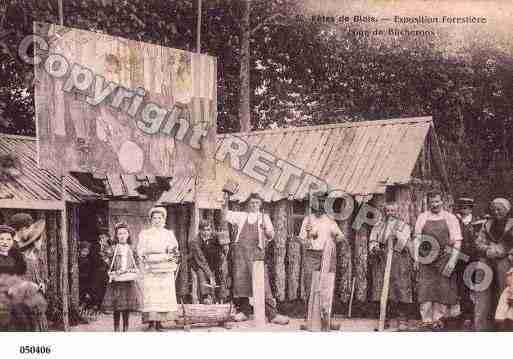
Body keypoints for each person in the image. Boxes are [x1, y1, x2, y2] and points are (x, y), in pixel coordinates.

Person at [222, 192, 289, 325]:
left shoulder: (264, 217)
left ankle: (272, 315)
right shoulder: (242, 216)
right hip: (241, 254)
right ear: (248, 204)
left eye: (257, 203)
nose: (254, 205)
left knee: (263, 284)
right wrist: (224, 201)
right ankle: (244, 312)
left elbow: (271, 235)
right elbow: (225, 215)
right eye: (252, 203)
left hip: (256, 254)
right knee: (241, 283)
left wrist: (266, 231)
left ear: (260, 204)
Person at [414, 190, 463, 330]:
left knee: (443, 288)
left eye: (437, 201)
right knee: (425, 288)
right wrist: (416, 259)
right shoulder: (422, 217)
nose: (434, 204)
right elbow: (417, 238)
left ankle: (438, 319)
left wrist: (452, 261)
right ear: (428, 203)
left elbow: (457, 241)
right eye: (431, 202)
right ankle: (426, 319)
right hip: (426, 258)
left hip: (444, 258)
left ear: (442, 201)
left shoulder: (450, 218)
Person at [298, 191, 345, 319]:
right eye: (318, 202)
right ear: (313, 204)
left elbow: (340, 236)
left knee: (326, 282)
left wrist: (335, 238)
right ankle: (310, 313)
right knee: (309, 282)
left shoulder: (330, 220)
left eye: (322, 203)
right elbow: (301, 238)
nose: (320, 205)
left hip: (326, 255)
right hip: (311, 254)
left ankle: (326, 314)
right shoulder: (308, 219)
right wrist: (306, 241)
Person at [369, 202, 413, 331]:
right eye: (388, 211)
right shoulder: (379, 225)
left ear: (397, 211)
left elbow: (406, 242)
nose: (390, 213)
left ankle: (402, 319)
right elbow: (373, 239)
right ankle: (384, 318)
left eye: (393, 211)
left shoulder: (404, 226)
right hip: (382, 259)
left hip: (399, 259)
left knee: (401, 287)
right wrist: (374, 246)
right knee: (382, 287)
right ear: (385, 211)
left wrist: (396, 236)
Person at [137, 206, 179, 331]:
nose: (157, 220)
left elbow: (174, 250)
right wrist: (147, 258)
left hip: (165, 267)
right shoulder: (145, 234)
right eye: (154, 218)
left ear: (164, 219)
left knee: (163, 295)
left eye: (159, 218)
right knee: (151, 295)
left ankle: (160, 322)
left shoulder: (168, 234)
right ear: (151, 220)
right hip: (150, 267)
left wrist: (169, 256)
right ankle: (151, 322)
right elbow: (140, 250)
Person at [474, 197, 513, 331]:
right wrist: (487, 249)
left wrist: (501, 250)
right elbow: (478, 242)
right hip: (487, 259)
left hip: (506, 261)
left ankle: (505, 327)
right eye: (494, 209)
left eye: (499, 209)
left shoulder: (511, 224)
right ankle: (481, 326)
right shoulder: (487, 224)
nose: (496, 212)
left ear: (507, 211)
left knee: (505, 291)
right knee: (482, 289)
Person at [0, 224, 47, 331]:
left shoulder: (15, 257)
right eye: (1, 239)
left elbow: (21, 275)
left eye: (8, 239)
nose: (5, 242)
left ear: (12, 241)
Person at [102, 222, 141, 332]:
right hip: (117, 282)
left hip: (128, 281)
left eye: (124, 233)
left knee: (126, 307)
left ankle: (125, 328)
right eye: (120, 234)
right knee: (117, 306)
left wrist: (133, 269)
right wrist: (112, 270)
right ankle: (116, 328)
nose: (122, 236)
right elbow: (108, 262)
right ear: (116, 236)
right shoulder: (113, 249)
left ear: (128, 235)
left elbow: (136, 263)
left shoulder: (131, 248)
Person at [454, 197, 477, 329]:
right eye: (462, 206)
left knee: (476, 286)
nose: (464, 209)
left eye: (467, 207)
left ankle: (477, 313)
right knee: (462, 288)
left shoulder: (477, 221)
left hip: (476, 259)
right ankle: (466, 314)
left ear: (471, 208)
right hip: (460, 259)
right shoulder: (455, 221)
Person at [189, 220, 222, 304]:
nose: (207, 232)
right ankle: (206, 296)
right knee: (201, 272)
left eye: (208, 229)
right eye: (204, 230)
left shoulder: (214, 238)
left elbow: (219, 253)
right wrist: (210, 275)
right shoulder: (194, 241)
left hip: (211, 262)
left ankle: (220, 296)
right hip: (198, 263)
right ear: (200, 230)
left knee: (220, 272)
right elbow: (201, 260)